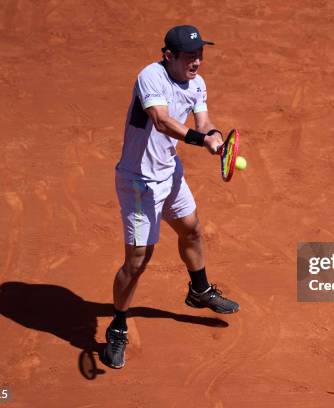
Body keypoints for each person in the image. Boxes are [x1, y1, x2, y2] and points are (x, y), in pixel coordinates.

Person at [104, 25, 240, 369]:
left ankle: (199, 290)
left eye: (200, 54)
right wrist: (200, 140)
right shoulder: (151, 76)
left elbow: (204, 119)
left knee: (192, 229)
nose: (197, 61)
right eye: (190, 56)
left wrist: (214, 134)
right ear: (169, 56)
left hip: (169, 171)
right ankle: (118, 324)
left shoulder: (197, 82)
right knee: (137, 261)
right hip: (138, 182)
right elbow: (162, 121)